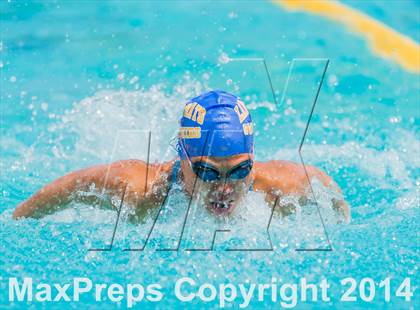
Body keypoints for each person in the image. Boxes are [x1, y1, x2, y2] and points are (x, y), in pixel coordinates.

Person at [12, 90, 349, 221]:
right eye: (207, 171)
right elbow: (70, 186)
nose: (225, 187)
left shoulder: (281, 187)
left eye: (238, 170)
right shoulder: (138, 190)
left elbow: (331, 194)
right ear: (183, 159)